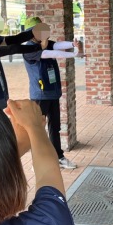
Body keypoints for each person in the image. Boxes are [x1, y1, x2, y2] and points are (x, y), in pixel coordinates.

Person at [22, 16, 81, 170]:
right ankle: (39, 159)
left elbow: (59, 46)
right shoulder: (29, 48)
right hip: (40, 95)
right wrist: (73, 54)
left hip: (53, 93)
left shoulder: (47, 44)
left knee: (55, 126)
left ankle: (58, 157)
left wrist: (73, 44)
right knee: (38, 129)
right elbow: (50, 54)